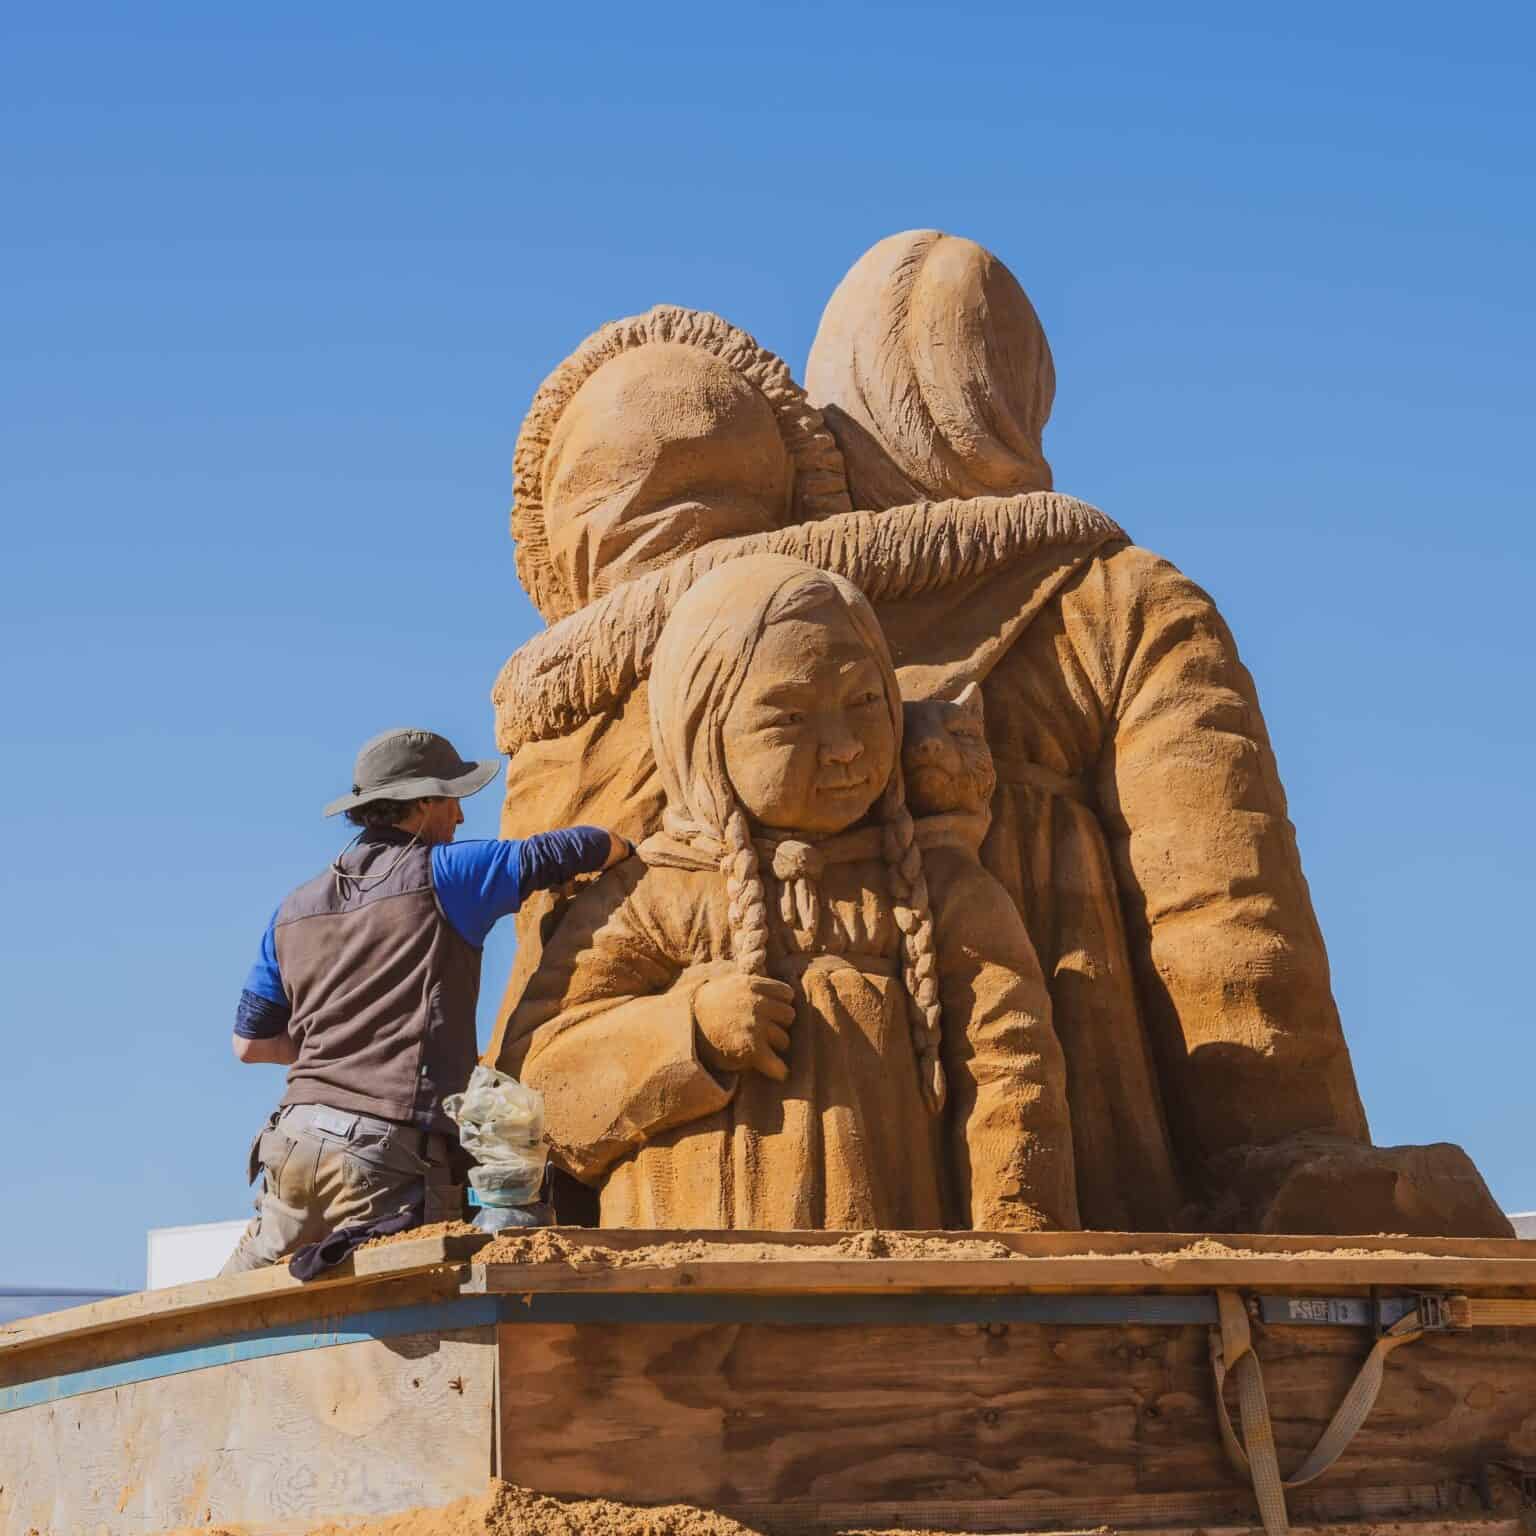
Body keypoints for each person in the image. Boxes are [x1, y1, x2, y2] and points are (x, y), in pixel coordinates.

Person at [501, 556, 1077, 1231]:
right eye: (788, 720)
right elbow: (535, 1093)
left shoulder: (940, 890)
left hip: (897, 1292)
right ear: (701, 734)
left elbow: (1013, 1066)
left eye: (864, 703)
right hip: (682, 1301)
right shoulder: (646, 898)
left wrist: (1017, 1231)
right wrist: (690, 1032)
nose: (842, 748)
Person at [222, 726, 629, 1274]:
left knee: (244, 1311)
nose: (460, 818)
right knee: (413, 1309)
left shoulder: (293, 908)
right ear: (423, 803)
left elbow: (249, 1044)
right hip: (383, 1150)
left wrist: (343, 1042)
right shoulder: (444, 875)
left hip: (290, 1142)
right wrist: (628, 849)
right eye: (454, 800)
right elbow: (568, 850)